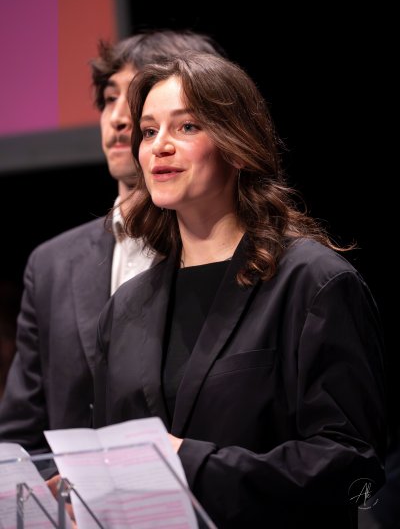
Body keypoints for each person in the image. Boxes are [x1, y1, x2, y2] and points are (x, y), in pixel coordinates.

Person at [93, 51, 386, 529]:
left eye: (186, 127)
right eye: (148, 131)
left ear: (237, 145)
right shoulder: (125, 307)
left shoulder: (312, 283)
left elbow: (354, 468)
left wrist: (189, 463)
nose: (159, 146)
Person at [0, 31, 226, 459]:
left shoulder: (226, 250)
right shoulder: (51, 266)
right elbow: (20, 435)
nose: (119, 118)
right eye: (108, 99)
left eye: (137, 98)